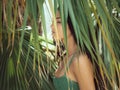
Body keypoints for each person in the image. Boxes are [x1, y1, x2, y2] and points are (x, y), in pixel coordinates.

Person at [51, 11, 95, 90]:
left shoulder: (80, 60)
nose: (52, 26)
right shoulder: (65, 58)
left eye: (59, 22)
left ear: (74, 24)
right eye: (52, 22)